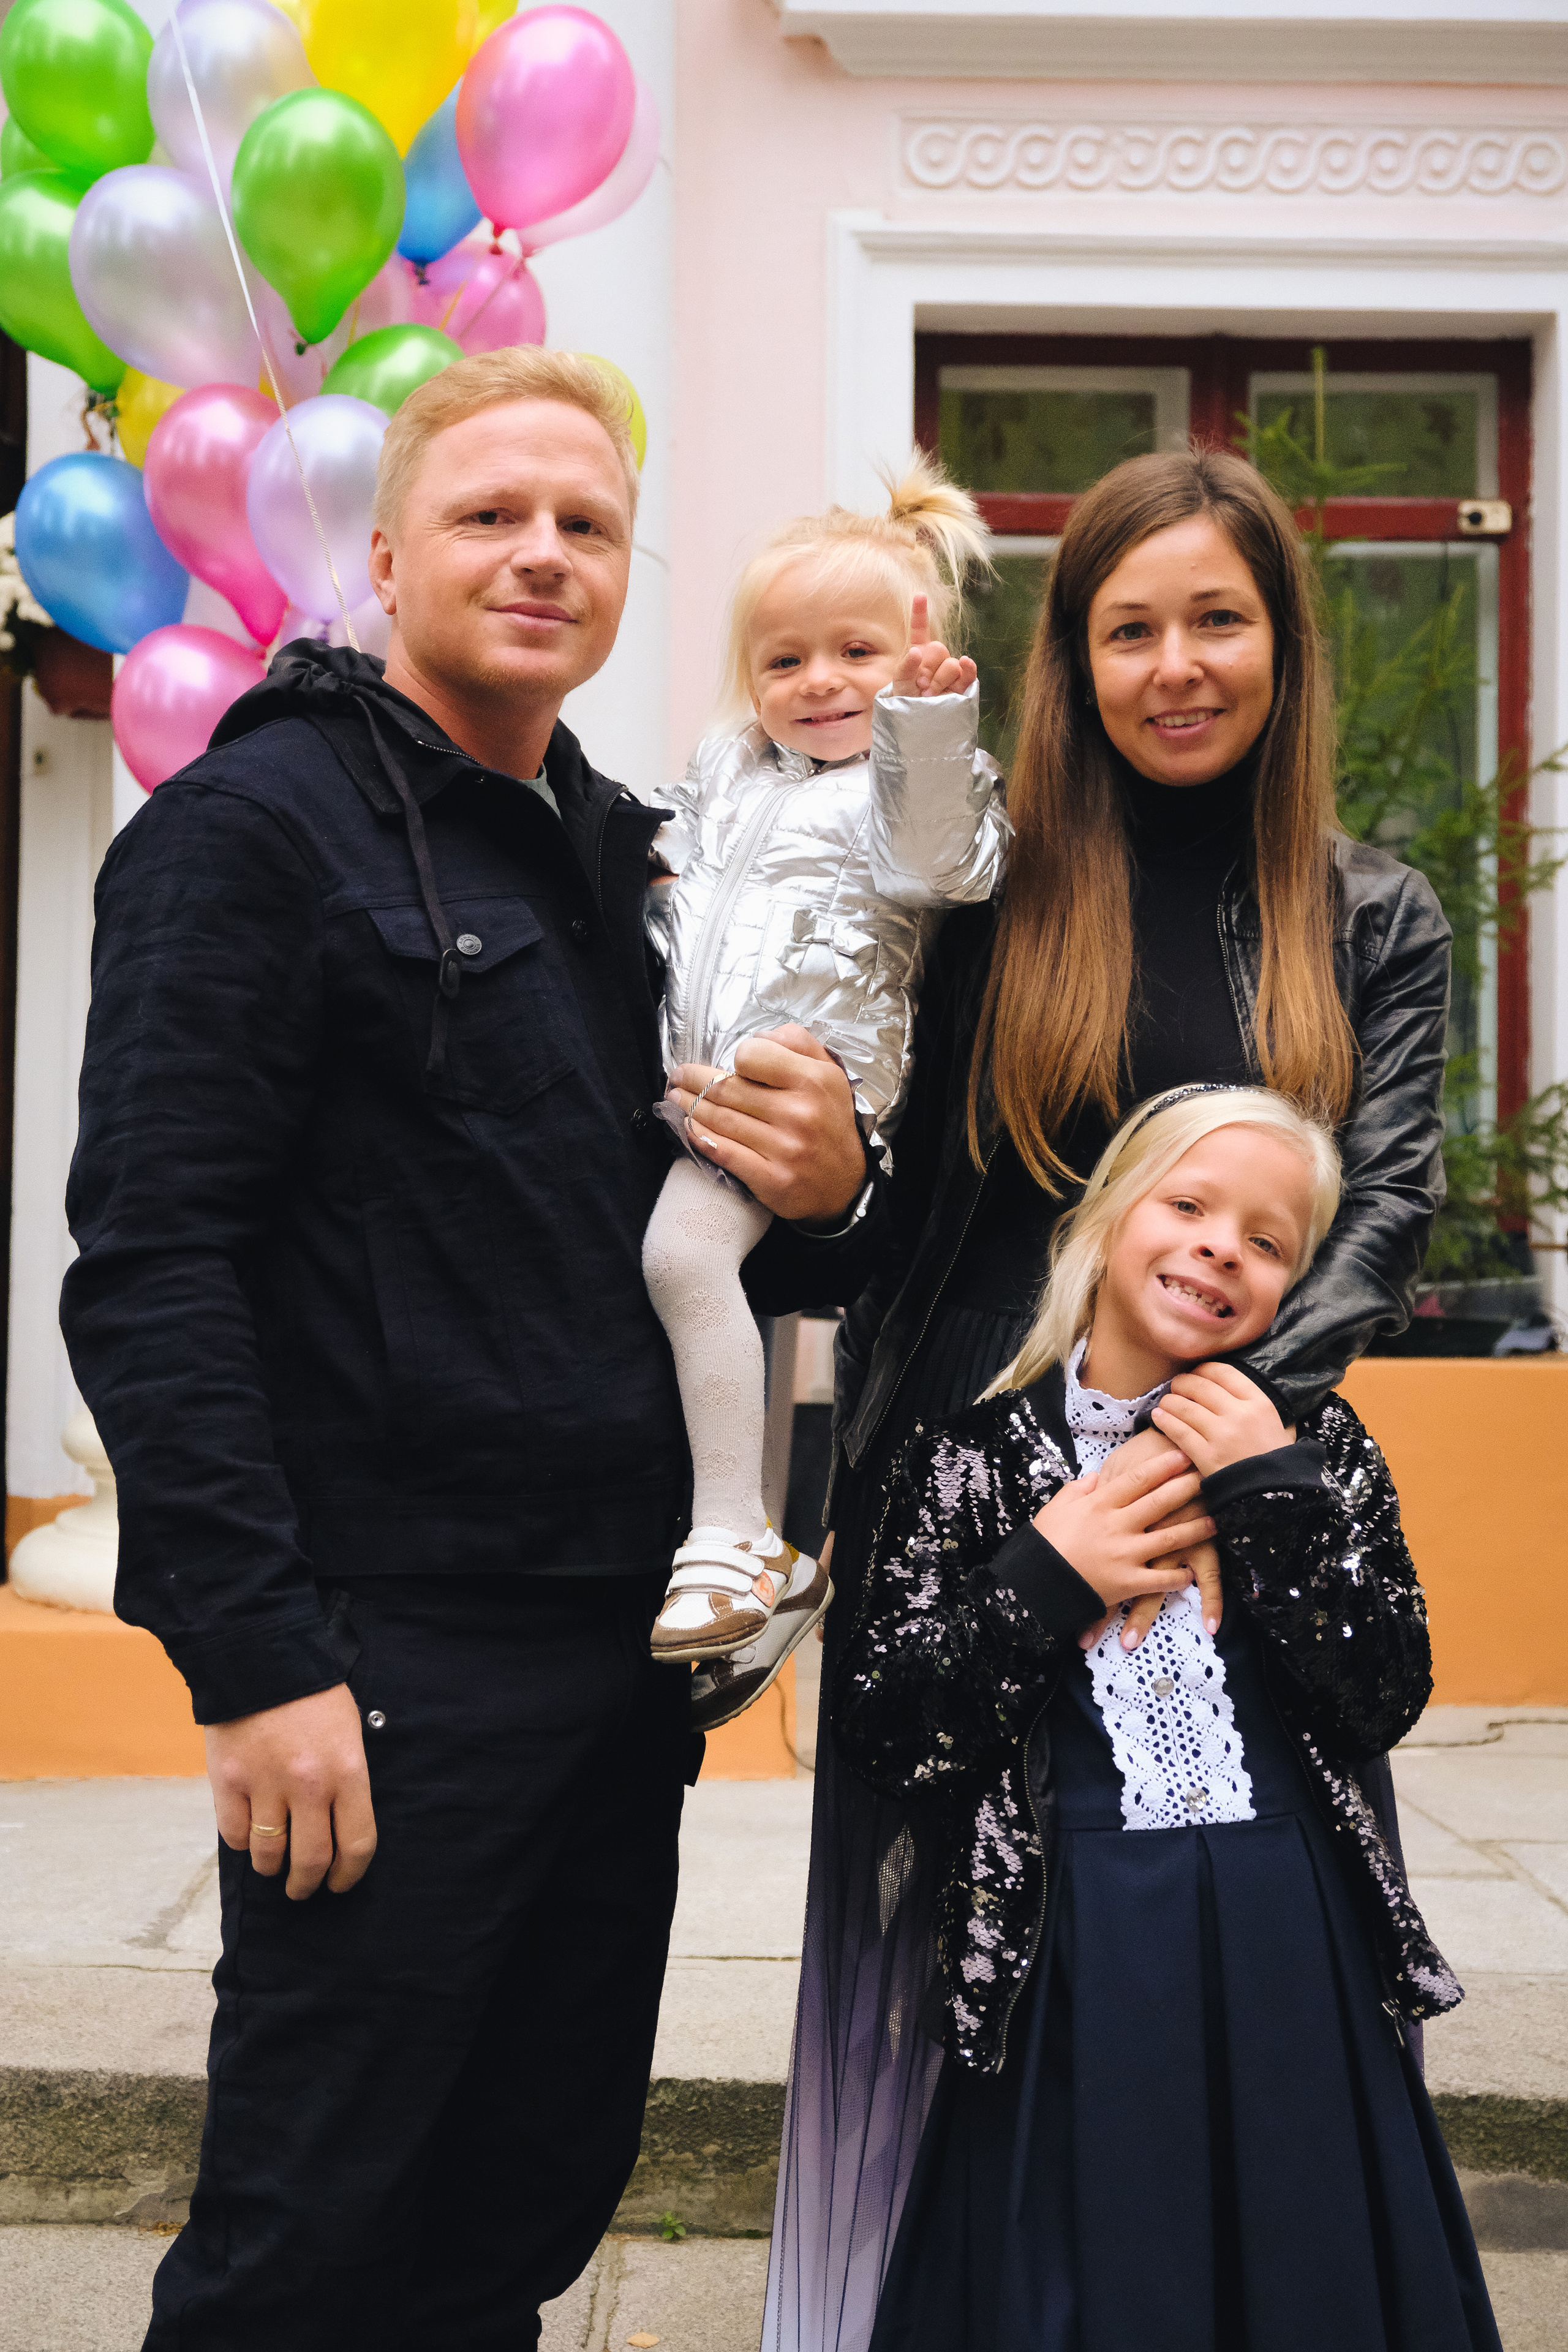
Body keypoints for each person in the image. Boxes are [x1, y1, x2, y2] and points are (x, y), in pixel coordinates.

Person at [58, 346, 869, 2351]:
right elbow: (153, 1266)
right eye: (495, 514)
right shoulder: (251, 834)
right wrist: (255, 1663)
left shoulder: (631, 861)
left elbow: (714, 1233)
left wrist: (835, 1185)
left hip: (613, 1667)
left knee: (518, 2204)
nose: (543, 553)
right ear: (390, 550)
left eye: (586, 524)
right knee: (308, 2246)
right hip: (387, 1672)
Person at [667, 445, 1453, 2348]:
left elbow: (1389, 1206)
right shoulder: (986, 887)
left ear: (1285, 644)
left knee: (1253, 1955)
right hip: (973, 1494)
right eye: (1128, 627)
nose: (1175, 664)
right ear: (1068, 660)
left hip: (1231, 1497)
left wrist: (1206, 1454)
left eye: (1218, 619)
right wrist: (821, 1184)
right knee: (976, 1988)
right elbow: (893, 1224)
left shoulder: (1375, 911)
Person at [836, 1085, 1499, 2352]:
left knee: (1302, 2269)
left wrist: (1269, 1494)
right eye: (1187, 1205)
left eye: (1265, 1241)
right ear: (1101, 1220)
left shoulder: (1320, 1451)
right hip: (1069, 1954)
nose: (1217, 1248)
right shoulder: (961, 1461)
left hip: (1283, 1933)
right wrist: (1044, 1575)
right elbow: (887, 1729)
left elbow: (1380, 1694)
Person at [641, 458, 1006, 1727]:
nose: (818, 683)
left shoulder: (909, 783)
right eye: (783, 659)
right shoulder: (735, 774)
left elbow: (939, 866)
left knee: (684, 1263)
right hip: (693, 1090)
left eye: (856, 652)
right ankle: (767, 1553)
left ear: (917, 658)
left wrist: (925, 729)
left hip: (798, 1093)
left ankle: (731, 1538)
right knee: (701, 1291)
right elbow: (671, 856)